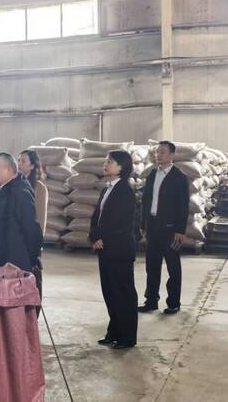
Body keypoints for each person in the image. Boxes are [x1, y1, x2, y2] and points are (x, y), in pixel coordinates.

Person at [89, 150, 138, 349]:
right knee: (110, 293)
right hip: (105, 249)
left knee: (123, 294)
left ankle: (127, 337)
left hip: (119, 250)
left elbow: (118, 223)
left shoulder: (125, 191)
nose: (105, 164)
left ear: (121, 167)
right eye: (106, 160)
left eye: (110, 161)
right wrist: (94, 236)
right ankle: (114, 332)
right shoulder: (107, 189)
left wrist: (101, 237)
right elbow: (96, 217)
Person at [139, 141, 190, 315]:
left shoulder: (179, 177)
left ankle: (173, 303)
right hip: (153, 226)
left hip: (171, 230)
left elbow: (183, 206)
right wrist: (143, 224)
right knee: (152, 266)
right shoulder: (153, 174)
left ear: (171, 155)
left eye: (162, 152)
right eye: (156, 152)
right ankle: (151, 301)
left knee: (173, 267)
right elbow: (145, 201)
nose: (158, 155)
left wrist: (180, 230)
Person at [0, 153, 44, 308]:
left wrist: (30, 261)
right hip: (6, 266)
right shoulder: (7, 190)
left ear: (7, 169)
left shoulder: (19, 192)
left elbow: (32, 230)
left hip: (16, 267)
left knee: (18, 311)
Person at [18, 149, 49, 235]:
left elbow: (41, 219)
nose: (19, 164)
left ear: (32, 166)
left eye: (23, 161)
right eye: (18, 160)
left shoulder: (39, 188)